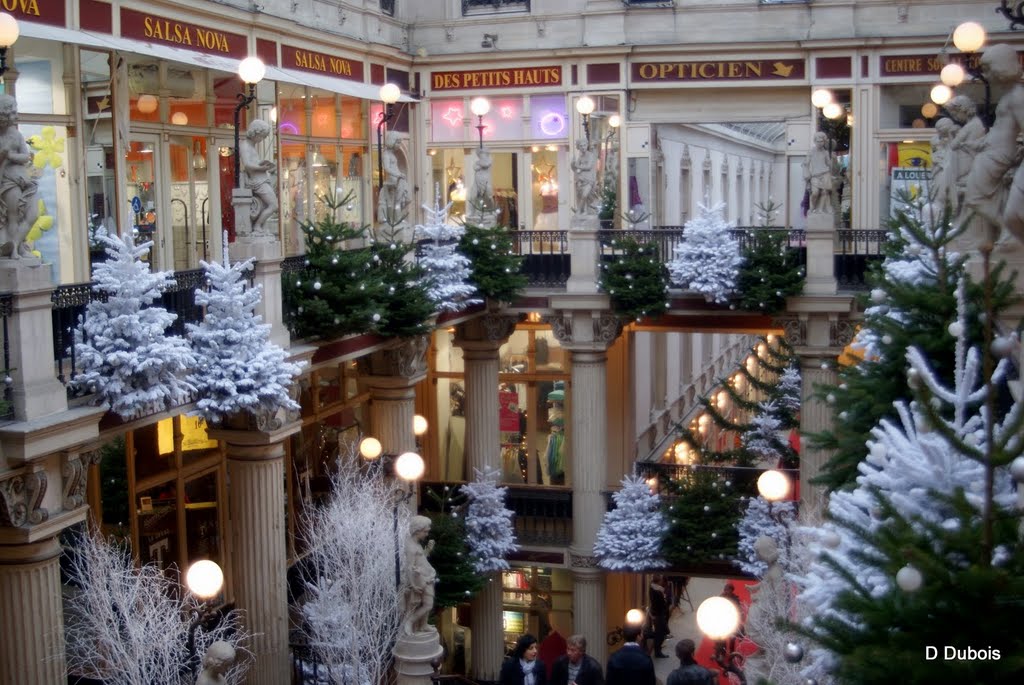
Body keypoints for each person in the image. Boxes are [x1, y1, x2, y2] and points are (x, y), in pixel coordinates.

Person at [963, 43, 1024, 248]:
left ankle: (1008, 231)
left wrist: (1017, 161)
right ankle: (1006, 233)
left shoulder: (1017, 96)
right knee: (980, 195)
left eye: (988, 69)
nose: (985, 75)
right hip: (992, 151)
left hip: (998, 154)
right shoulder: (1010, 96)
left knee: (975, 195)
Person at [0, 94, 39, 259]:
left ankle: (17, 245)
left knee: (32, 215)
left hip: (24, 181)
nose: (15, 116)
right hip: (8, 181)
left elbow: (26, 156)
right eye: (12, 113)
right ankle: (15, 250)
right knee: (14, 216)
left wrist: (10, 156)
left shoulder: (15, 134)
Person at [238, 118, 278, 236]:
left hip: (261, 179)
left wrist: (266, 167)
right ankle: (257, 226)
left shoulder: (251, 146)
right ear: (255, 132)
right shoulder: (245, 145)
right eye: (262, 136)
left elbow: (253, 163)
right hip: (257, 181)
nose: (262, 139)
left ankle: (260, 227)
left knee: (266, 205)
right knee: (273, 205)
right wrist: (262, 168)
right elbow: (247, 165)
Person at [402, 515, 437, 634]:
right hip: (420, 579)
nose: (427, 534)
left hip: (426, 577)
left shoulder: (416, 543)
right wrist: (412, 585)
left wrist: (428, 550)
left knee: (427, 603)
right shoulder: (411, 547)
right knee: (428, 604)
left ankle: (423, 625)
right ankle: (410, 622)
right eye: (425, 531)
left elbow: (421, 559)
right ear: (417, 530)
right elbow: (409, 567)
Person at [378, 130, 409, 223]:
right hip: (392, 180)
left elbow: (395, 167)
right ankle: (396, 219)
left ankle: (397, 218)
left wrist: (400, 174)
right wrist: (398, 174)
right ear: (392, 141)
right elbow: (386, 168)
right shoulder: (386, 154)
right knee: (395, 202)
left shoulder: (392, 154)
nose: (399, 145)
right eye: (398, 142)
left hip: (398, 179)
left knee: (406, 198)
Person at [802, 131, 833, 215]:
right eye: (818, 141)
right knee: (815, 192)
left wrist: (831, 162)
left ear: (824, 142)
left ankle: (820, 209)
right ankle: (812, 208)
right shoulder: (811, 152)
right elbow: (806, 164)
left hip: (825, 173)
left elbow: (829, 164)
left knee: (824, 192)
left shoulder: (825, 152)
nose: (820, 143)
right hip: (815, 175)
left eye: (822, 141)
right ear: (815, 141)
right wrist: (806, 174)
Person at [571, 138, 598, 216]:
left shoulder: (591, 155)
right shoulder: (580, 157)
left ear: (587, 145)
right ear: (578, 147)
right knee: (582, 195)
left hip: (589, 179)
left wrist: (578, 166)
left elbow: (589, 167)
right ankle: (584, 211)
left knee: (585, 195)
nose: (583, 147)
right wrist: (572, 164)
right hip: (581, 179)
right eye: (581, 146)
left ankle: (579, 210)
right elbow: (575, 169)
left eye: (584, 145)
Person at [647, 575, 670, 658]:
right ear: (659, 581)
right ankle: (657, 652)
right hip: (659, 615)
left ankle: (658, 649)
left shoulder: (652, 589)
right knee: (660, 633)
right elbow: (663, 604)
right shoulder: (658, 591)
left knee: (661, 632)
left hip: (656, 613)